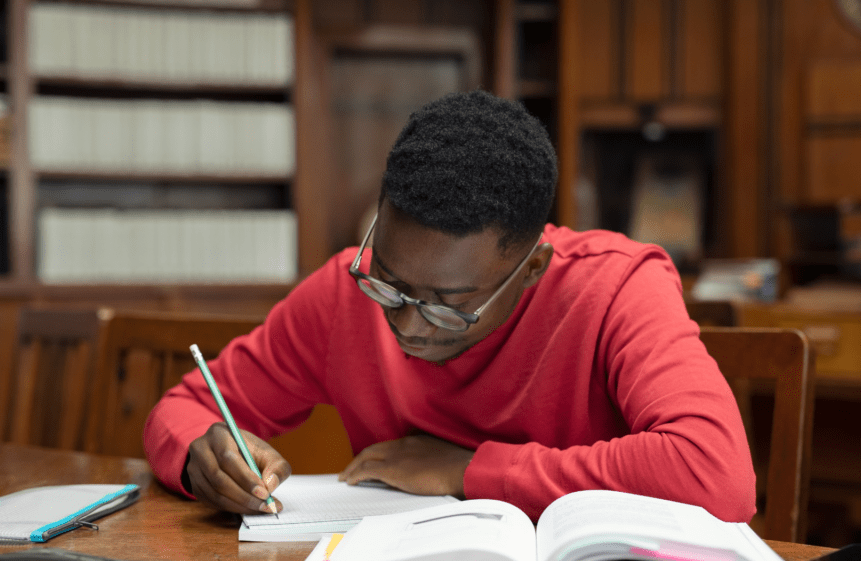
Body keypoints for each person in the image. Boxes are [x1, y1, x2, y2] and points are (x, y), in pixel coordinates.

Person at [143, 90, 756, 523]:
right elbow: (186, 407)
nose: (406, 324)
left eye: (450, 306)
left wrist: (471, 472)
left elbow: (713, 472)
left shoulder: (616, 287)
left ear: (531, 269)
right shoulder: (342, 293)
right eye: (388, 280)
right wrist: (202, 455)